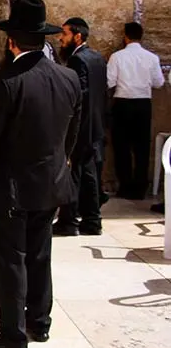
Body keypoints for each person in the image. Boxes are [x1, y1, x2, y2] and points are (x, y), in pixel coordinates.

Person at [0, 0, 81, 348]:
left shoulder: (4, 81)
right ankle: (39, 323)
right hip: (50, 184)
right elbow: (71, 135)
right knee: (39, 255)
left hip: (10, 190)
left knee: (9, 260)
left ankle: (13, 336)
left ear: (11, 40)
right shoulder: (69, 77)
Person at [53, 18, 108, 236]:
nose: (60, 38)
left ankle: (68, 221)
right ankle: (92, 220)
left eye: (64, 34)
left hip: (81, 126)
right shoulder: (97, 58)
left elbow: (80, 93)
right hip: (95, 125)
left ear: (77, 36)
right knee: (89, 173)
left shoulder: (78, 61)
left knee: (72, 173)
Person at [107, 22, 164, 200]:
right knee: (141, 147)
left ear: (125, 36)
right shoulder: (152, 58)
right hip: (143, 104)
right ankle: (140, 187)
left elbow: (109, 81)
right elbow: (159, 83)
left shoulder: (117, 57)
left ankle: (125, 186)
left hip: (123, 103)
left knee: (121, 146)